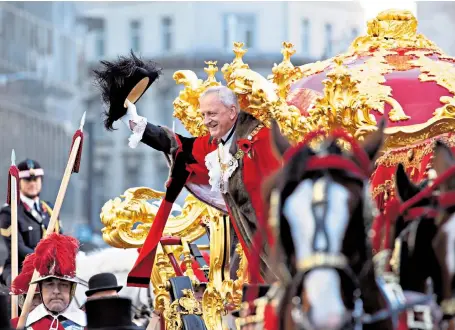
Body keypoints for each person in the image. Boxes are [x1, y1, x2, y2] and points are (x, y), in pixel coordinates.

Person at [94, 54, 282, 285]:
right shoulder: (218, 144)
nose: (206, 122)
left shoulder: (263, 140)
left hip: (278, 243)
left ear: (232, 112)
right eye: (203, 115)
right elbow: (182, 148)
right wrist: (132, 121)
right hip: (250, 242)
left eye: (211, 114)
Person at [0, 159, 62, 286]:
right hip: (20, 268)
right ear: (19, 182)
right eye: (27, 180)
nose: (32, 183)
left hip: (50, 267)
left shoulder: (50, 209)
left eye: (36, 179)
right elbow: (18, 247)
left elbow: (60, 239)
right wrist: (44, 261)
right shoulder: (9, 212)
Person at [10, 233, 86, 330]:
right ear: (40, 288)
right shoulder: (17, 326)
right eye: (49, 284)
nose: (56, 291)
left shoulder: (89, 323)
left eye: (63, 285)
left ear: (72, 289)